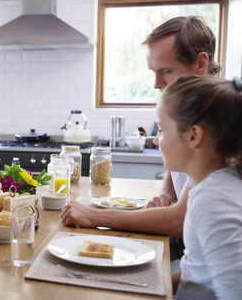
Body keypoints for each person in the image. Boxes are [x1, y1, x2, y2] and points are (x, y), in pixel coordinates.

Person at [61, 16, 219, 254]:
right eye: (154, 72)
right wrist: (166, 193)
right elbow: (180, 171)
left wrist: (95, 216)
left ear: (200, 63)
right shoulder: (190, 110)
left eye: (166, 71)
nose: (156, 84)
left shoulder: (220, 119)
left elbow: (181, 220)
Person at [157, 75, 242, 300]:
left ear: (193, 135)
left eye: (162, 130)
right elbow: (196, 277)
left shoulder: (213, 199)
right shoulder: (212, 185)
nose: (158, 140)